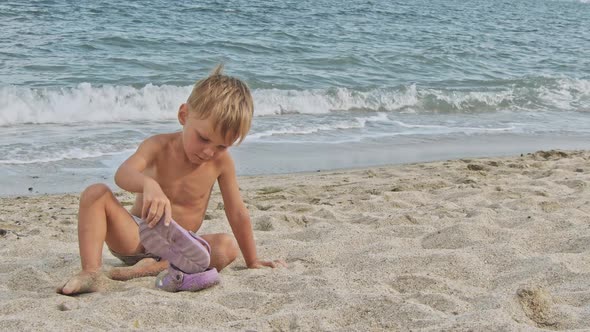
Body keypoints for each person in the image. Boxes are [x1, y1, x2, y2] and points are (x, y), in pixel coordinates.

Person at [58, 65, 285, 295]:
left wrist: (253, 260)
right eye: (203, 138)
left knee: (227, 247)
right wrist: (148, 184)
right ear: (184, 115)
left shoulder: (221, 163)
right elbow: (122, 174)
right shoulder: (157, 146)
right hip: (137, 237)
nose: (209, 152)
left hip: (182, 248)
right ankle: (91, 272)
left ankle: (149, 269)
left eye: (221, 146)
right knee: (95, 193)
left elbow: (236, 212)